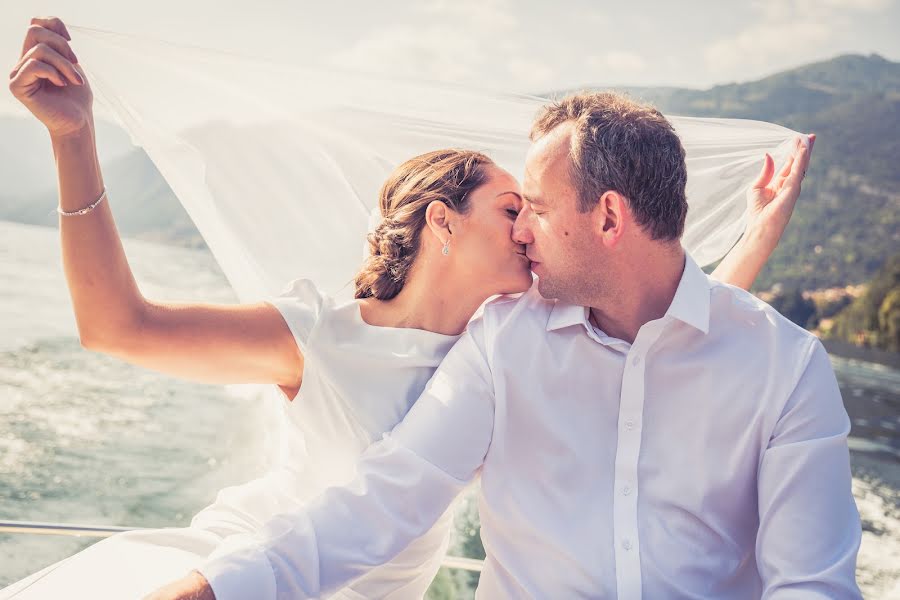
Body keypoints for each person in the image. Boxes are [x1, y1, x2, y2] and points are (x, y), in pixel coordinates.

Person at [6, 16, 822, 600]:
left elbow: (677, 320)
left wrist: (753, 239)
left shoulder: (534, 329)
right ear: (443, 222)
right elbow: (121, 328)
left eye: (536, 209)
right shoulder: (363, 338)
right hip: (265, 566)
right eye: (514, 209)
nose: (529, 230)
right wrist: (74, 140)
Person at [150, 94, 859, 599]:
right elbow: (384, 499)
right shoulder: (503, 338)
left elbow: (811, 586)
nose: (521, 234)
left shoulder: (786, 368)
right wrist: (211, 591)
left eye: (539, 212)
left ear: (608, 217)